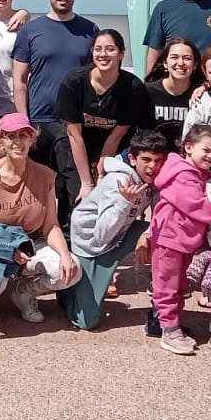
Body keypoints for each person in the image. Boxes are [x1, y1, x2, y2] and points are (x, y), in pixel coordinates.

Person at [0, 113, 80, 325]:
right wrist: (7, 250)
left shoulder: (44, 175)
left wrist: (64, 255)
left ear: (32, 139)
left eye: (23, 135)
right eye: (10, 136)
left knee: (71, 271)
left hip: (32, 243)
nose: (17, 141)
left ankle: (24, 292)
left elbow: (51, 225)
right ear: (1, 139)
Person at [148, 123, 211, 355]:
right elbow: (201, 208)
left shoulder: (193, 173)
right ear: (188, 147)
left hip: (179, 239)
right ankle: (168, 330)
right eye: (206, 150)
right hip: (169, 238)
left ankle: (171, 324)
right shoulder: (184, 175)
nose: (210, 156)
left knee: (178, 285)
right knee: (167, 286)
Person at [61, 129, 170, 331]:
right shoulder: (118, 182)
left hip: (122, 232)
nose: (152, 167)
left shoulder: (154, 181)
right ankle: (67, 290)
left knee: (167, 235)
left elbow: (159, 214)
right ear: (132, 159)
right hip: (92, 245)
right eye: (146, 159)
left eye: (158, 160)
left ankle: (161, 304)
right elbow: (102, 235)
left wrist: (146, 235)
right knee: (86, 322)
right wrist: (124, 202)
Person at [12, 0, 99, 204]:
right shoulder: (30, 31)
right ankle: (40, 233)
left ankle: (72, 234)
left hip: (75, 120)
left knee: (73, 185)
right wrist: (24, 122)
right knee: (39, 184)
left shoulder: (90, 30)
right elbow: (19, 80)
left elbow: (98, 76)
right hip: (40, 119)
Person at [55, 29, 152, 212]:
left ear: (121, 53)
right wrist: (86, 183)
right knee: (79, 199)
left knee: (107, 195)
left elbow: (116, 136)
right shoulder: (74, 81)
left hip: (111, 145)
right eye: (98, 49)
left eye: (110, 49)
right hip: (77, 143)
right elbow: (74, 135)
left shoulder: (133, 87)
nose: (103, 54)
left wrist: (100, 174)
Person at [144, 37, 203, 143]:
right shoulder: (147, 92)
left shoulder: (201, 95)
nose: (180, 63)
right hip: (155, 154)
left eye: (187, 58)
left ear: (195, 65)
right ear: (165, 63)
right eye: (174, 57)